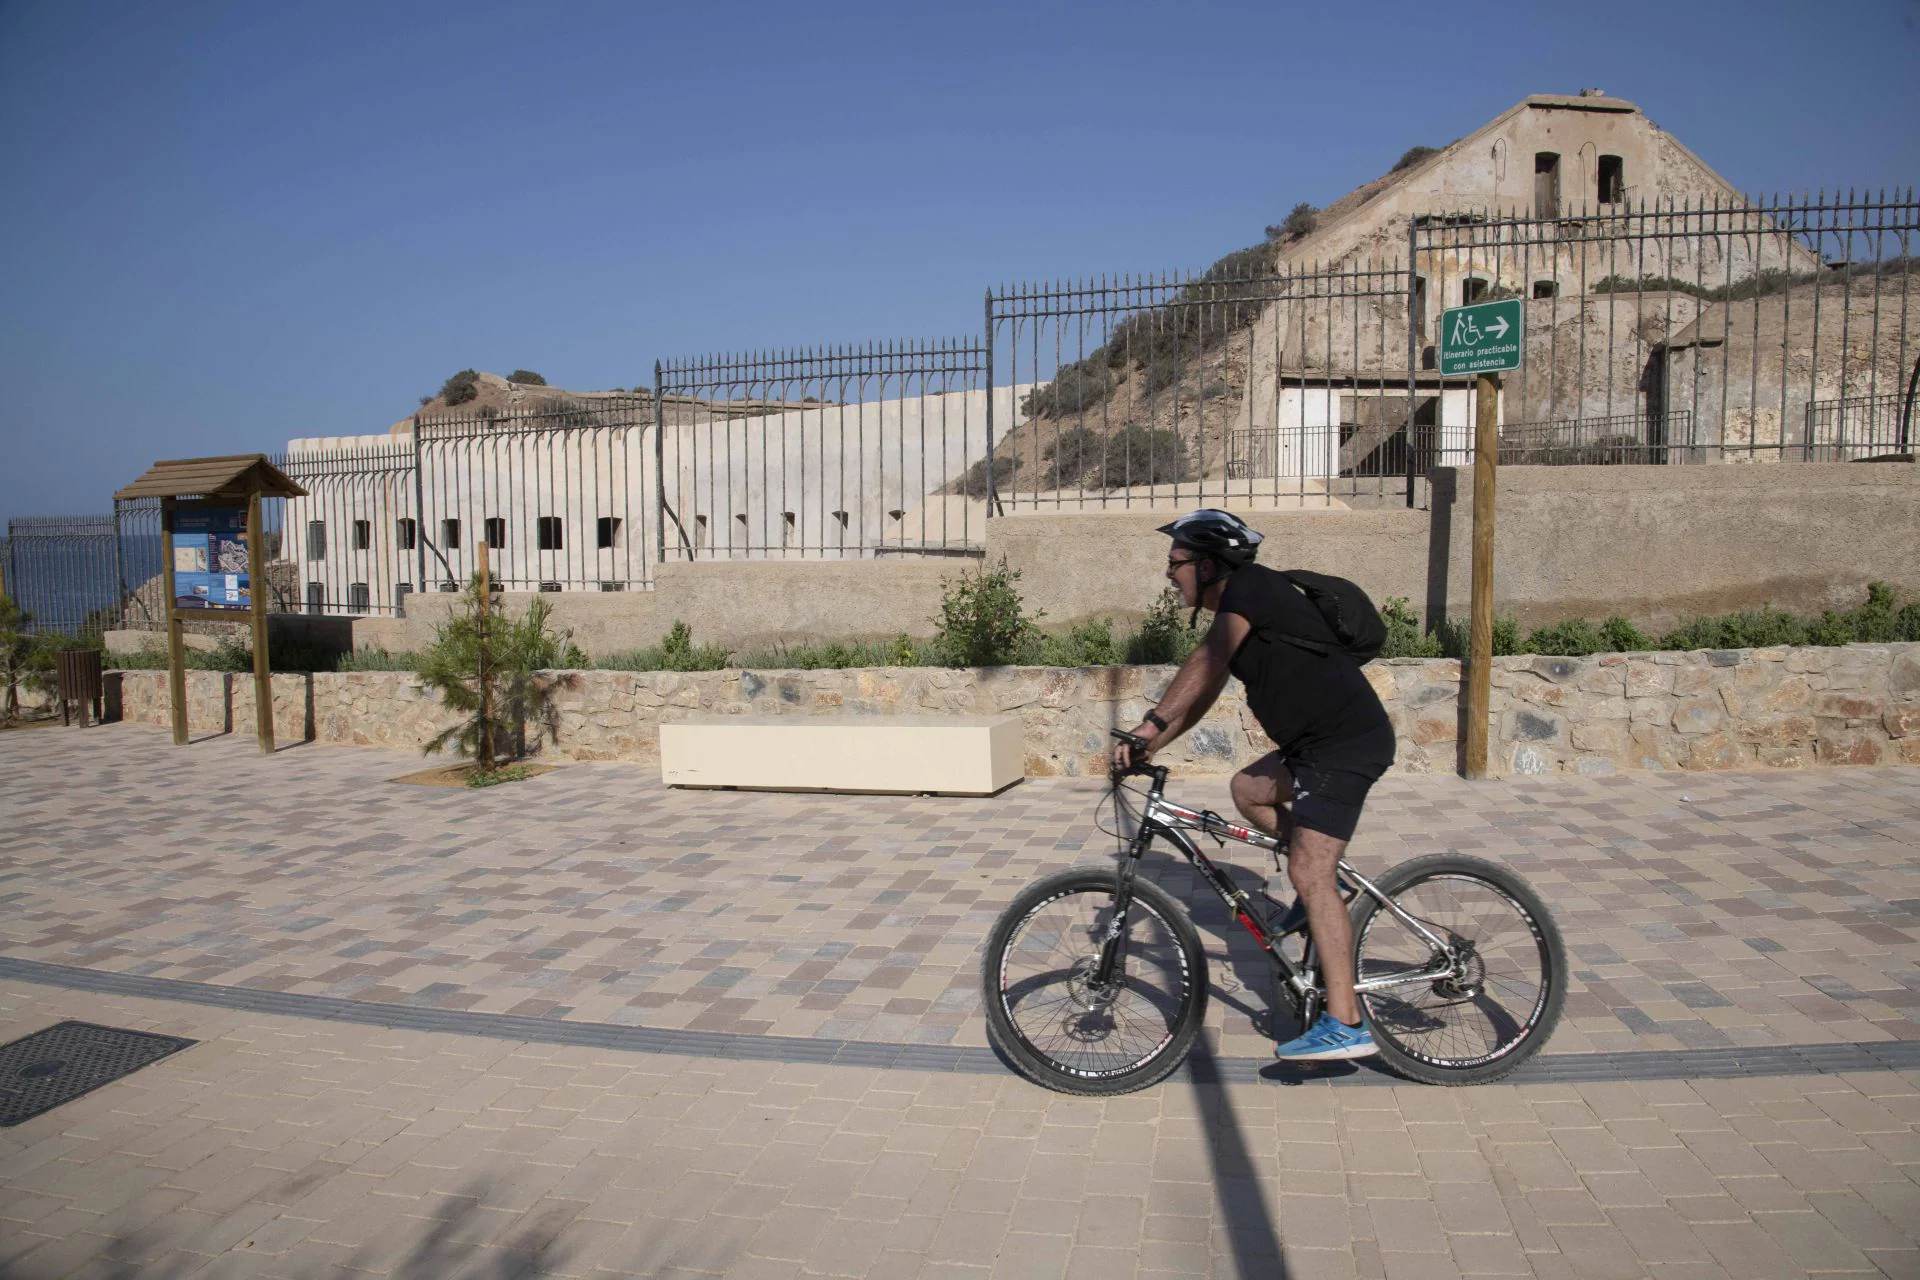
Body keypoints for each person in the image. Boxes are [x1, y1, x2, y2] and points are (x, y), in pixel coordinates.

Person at [1112, 509, 1396, 1061]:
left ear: (1212, 564)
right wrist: (1156, 742)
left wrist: (1148, 725)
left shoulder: (1254, 589)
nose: (1169, 574)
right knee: (1249, 790)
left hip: (1343, 746)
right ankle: (1322, 897)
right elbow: (1206, 687)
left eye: (1176, 563)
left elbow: (1204, 662)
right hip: (1314, 747)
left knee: (1308, 868)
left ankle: (1346, 1022)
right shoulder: (1242, 606)